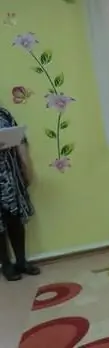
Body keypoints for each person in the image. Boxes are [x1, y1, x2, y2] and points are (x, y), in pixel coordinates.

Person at [0, 107, 39, 281]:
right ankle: (6, 265)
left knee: (15, 216)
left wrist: (26, 165)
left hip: (10, 174)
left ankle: (21, 261)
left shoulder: (3, 113)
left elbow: (20, 139)